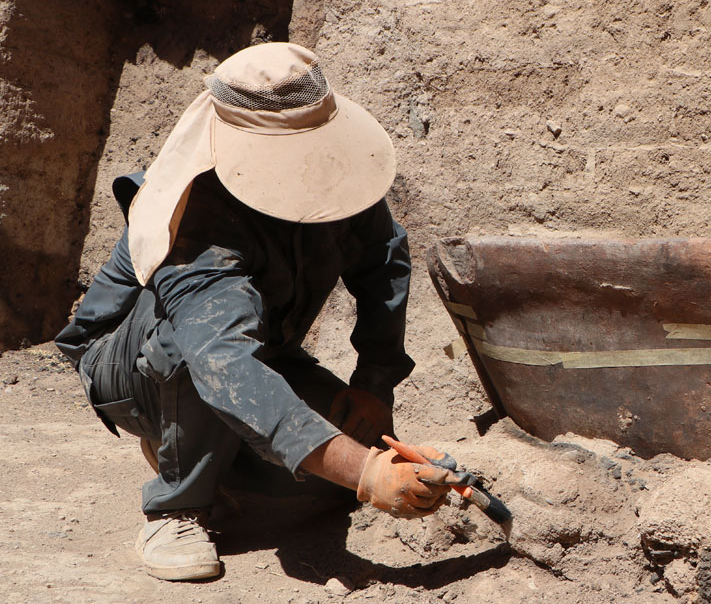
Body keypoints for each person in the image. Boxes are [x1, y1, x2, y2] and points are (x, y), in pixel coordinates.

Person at [55, 42, 461, 582]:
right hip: (132, 365)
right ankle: (176, 508)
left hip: (259, 351)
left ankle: (217, 456)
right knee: (196, 356)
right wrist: (367, 472)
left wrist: (373, 385)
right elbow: (222, 358)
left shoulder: (333, 168)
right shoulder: (196, 212)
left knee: (335, 478)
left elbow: (383, 260)